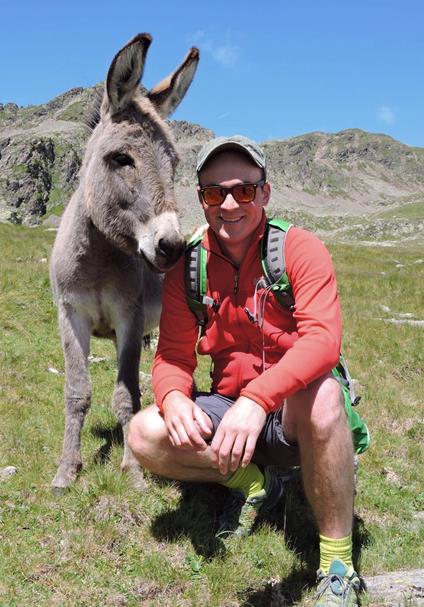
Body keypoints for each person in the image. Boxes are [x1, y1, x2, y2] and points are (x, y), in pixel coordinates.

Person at [128, 135, 369, 607]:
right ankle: (256, 484)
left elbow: (323, 341)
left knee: (324, 399)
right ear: (202, 200)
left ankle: (338, 566)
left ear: (265, 193)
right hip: (229, 409)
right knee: (143, 433)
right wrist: (175, 397)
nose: (230, 203)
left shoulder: (300, 249)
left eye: (244, 189)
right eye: (215, 193)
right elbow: (173, 357)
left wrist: (258, 400)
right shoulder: (188, 268)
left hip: (290, 409)